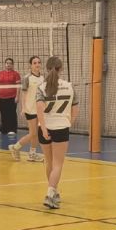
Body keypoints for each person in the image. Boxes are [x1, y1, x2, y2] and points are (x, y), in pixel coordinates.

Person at [34, 55, 74, 209]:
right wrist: (69, 122)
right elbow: (75, 108)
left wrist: (44, 129)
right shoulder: (69, 86)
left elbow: (39, 109)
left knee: (49, 162)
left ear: (46, 68)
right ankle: (50, 194)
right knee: (58, 164)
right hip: (61, 127)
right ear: (61, 68)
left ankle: (54, 192)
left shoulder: (41, 87)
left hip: (44, 127)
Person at [9, 55, 45, 162]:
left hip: (39, 109)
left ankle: (32, 154)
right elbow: (23, 94)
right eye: (35, 63)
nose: (37, 64)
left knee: (36, 133)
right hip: (30, 109)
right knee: (32, 133)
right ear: (31, 65)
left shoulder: (42, 78)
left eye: (39, 62)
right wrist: (23, 108)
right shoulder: (27, 78)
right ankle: (15, 147)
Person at [0, 57, 21, 136]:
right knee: (3, 113)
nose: (8, 65)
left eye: (10, 63)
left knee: (11, 113)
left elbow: (18, 86)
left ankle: (12, 129)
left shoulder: (16, 74)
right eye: (7, 63)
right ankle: (3, 129)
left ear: (12, 65)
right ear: (5, 64)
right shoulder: (0, 73)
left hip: (12, 97)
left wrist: (17, 96)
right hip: (1, 97)